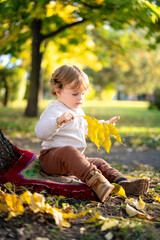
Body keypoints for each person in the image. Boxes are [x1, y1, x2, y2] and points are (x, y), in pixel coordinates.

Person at [35, 65, 149, 202]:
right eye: (75, 94)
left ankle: (122, 182)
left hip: (73, 162)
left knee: (99, 162)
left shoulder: (79, 112)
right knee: (69, 151)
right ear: (59, 91)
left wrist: (105, 125)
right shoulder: (54, 109)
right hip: (51, 159)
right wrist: (58, 121)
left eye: (83, 94)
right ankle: (98, 184)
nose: (80, 98)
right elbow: (40, 132)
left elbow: (88, 127)